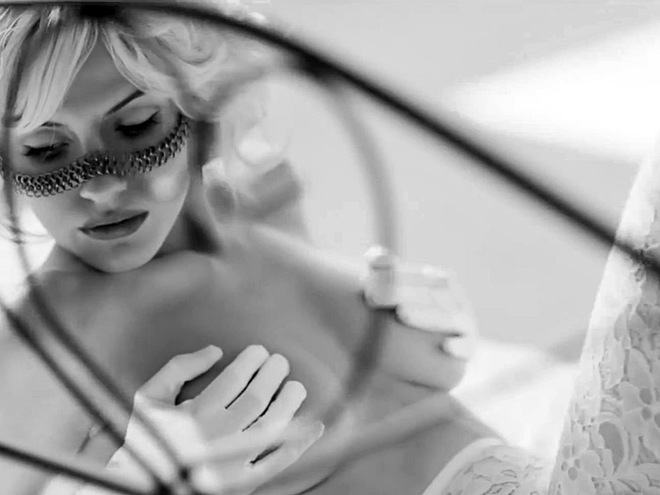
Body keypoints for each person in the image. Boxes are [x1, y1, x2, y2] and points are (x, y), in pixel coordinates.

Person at [0, 2, 483, 494]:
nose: (102, 188)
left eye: (136, 126)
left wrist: (443, 329)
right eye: (44, 150)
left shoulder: (265, 199)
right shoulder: (47, 336)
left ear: (198, 105)